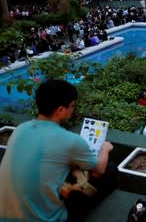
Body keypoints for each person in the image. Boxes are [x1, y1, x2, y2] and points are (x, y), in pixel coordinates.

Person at [0, 79, 115, 221]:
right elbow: (99, 170)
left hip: (5, 215)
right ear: (60, 110)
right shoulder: (70, 140)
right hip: (45, 219)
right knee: (109, 170)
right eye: (72, 106)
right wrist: (105, 148)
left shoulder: (20, 129)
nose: (73, 110)